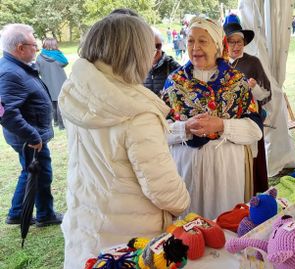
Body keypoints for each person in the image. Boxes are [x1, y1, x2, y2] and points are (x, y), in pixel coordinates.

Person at [58, 14, 190, 268]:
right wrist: (184, 201)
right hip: (130, 237)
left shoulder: (78, 90)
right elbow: (164, 191)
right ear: (134, 53)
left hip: (86, 221)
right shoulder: (136, 112)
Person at [161, 17, 262, 220]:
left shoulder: (237, 82)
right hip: (186, 168)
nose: (195, 47)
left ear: (216, 44)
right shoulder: (174, 82)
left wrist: (222, 125)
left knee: (224, 224)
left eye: (202, 41)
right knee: (188, 228)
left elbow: (255, 130)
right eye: (190, 41)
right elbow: (158, 131)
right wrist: (185, 128)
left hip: (226, 170)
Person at [0, 24, 63, 226]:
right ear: (20, 48)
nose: (36, 49)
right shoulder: (10, 73)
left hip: (29, 135)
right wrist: (33, 136)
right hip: (29, 138)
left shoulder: (17, 67)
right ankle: (45, 214)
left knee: (29, 171)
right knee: (41, 173)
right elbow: (6, 112)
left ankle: (17, 212)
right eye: (33, 45)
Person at [223, 14, 271, 194]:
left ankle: (253, 194)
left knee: (251, 162)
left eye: (239, 42)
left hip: (249, 121)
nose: (235, 46)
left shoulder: (253, 62)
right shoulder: (220, 64)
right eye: (231, 42)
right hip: (227, 123)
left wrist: (255, 87)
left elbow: (267, 94)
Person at [36, 37, 68, 130]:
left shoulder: (39, 57)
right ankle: (62, 125)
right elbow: (65, 63)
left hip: (47, 84)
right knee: (60, 104)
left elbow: (37, 71)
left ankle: (56, 122)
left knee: (53, 104)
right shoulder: (59, 56)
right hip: (60, 82)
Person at [144, 27, 181, 94]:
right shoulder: (137, 67)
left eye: (158, 46)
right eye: (150, 46)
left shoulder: (173, 67)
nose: (155, 50)